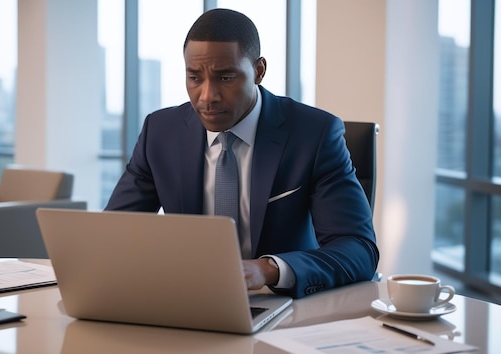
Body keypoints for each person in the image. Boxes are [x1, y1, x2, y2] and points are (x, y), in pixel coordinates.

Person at [106, 8, 379, 299]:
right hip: (188, 300)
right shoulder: (160, 132)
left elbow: (358, 249)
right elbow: (113, 234)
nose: (207, 96)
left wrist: (266, 269)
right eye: (195, 77)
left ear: (259, 71)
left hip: (281, 306)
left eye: (225, 78)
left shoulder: (315, 134)